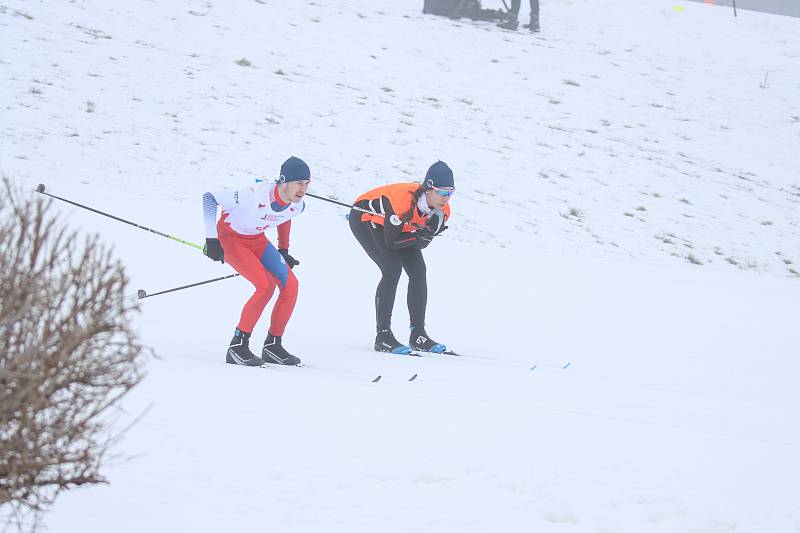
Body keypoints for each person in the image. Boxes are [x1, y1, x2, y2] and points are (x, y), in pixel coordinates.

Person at [202, 156, 310, 367]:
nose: (303, 189)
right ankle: (237, 346)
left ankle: (272, 346)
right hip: (230, 238)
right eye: (299, 183)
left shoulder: (298, 205)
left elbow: (284, 215)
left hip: (257, 240)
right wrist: (211, 239)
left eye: (307, 184)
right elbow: (209, 198)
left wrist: (283, 249)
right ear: (283, 181)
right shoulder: (251, 196)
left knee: (291, 285)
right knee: (265, 286)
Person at [349, 161, 455, 355]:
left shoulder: (443, 212)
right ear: (429, 189)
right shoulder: (403, 202)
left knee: (418, 271)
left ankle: (418, 334)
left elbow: (419, 244)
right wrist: (419, 234)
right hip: (366, 219)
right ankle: (383, 335)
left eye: (450, 193)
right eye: (442, 192)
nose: (446, 198)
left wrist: (428, 233)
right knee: (392, 269)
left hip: (398, 228)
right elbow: (391, 242)